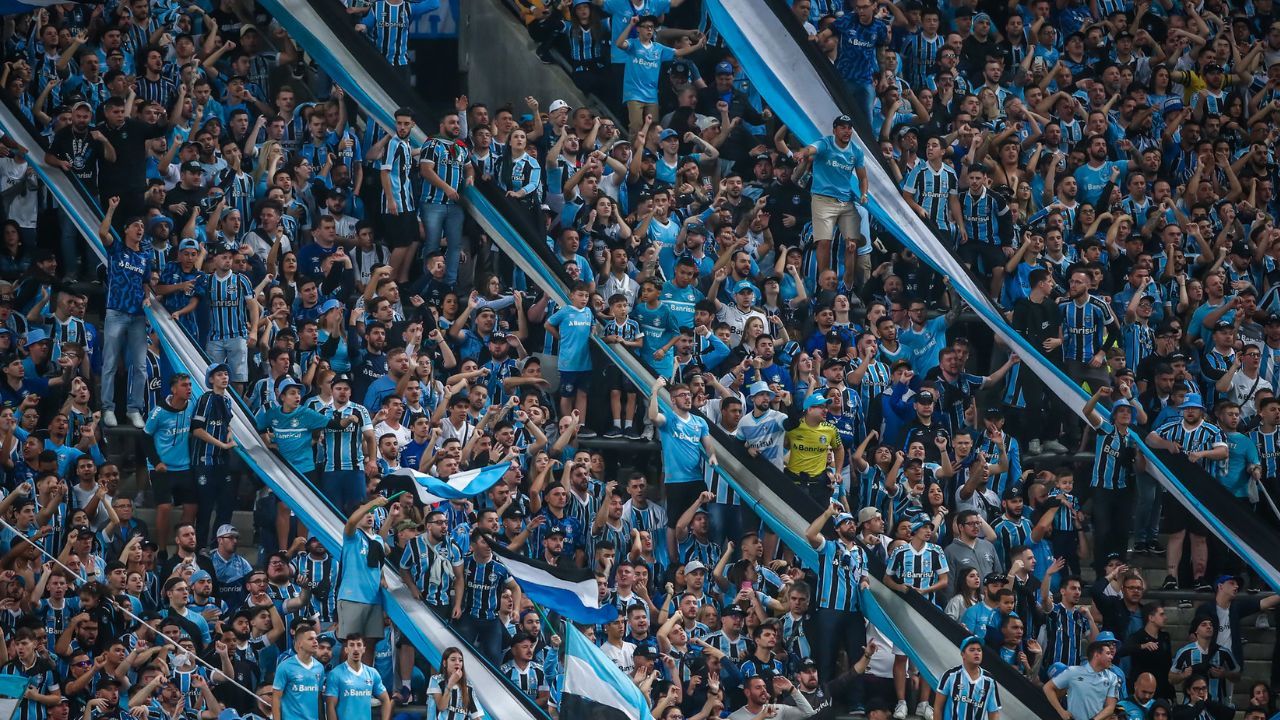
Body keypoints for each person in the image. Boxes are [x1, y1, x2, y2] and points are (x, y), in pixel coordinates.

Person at [339, 495, 391, 665]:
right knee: (350, 644)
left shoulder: (376, 540)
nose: (370, 515)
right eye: (366, 513)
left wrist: (391, 518)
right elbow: (351, 523)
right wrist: (373, 503)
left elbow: (385, 553)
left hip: (373, 599)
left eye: (373, 513)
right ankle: (344, 684)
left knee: (368, 644)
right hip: (352, 596)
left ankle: (365, 683)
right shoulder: (352, 536)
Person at [1042, 641, 1122, 720]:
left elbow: (1110, 707)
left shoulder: (1113, 677)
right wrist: (1061, 711)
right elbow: (1047, 687)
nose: (1111, 657)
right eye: (1108, 654)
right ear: (1097, 655)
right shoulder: (1073, 672)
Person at [325, 634, 392, 720]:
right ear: (346, 650)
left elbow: (386, 700)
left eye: (359, 645)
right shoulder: (335, 674)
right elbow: (330, 706)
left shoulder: (372, 673)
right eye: (352, 645)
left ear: (364, 649)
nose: (355, 649)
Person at [933, 636, 1000, 720]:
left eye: (979, 650)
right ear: (963, 654)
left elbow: (994, 713)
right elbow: (937, 708)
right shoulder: (950, 675)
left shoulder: (989, 680)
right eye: (972, 650)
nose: (977, 653)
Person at [273, 624, 326, 720]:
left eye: (316, 639)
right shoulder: (285, 667)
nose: (315, 642)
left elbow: (318, 698)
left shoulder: (320, 667)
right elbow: (276, 698)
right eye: (310, 639)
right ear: (299, 644)